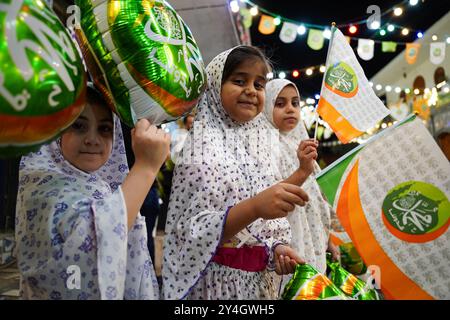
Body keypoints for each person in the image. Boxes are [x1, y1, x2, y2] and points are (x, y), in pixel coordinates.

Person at [162, 46, 311, 300]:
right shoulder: (201, 146)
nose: (251, 90)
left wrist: (279, 247)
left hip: (258, 286)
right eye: (239, 80)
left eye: (259, 84)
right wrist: (255, 207)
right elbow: (190, 230)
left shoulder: (260, 146)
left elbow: (267, 221)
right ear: (214, 86)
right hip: (215, 285)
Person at [15, 84, 170, 299]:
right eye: (78, 126)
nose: (93, 139)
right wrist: (145, 168)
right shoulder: (46, 187)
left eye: (105, 128)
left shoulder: (100, 184)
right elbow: (91, 245)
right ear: (54, 132)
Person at [262, 79, 340, 275]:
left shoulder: (299, 143)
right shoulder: (265, 147)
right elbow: (271, 196)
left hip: (315, 242)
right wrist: (302, 170)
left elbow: (316, 199)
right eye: (280, 104)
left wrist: (327, 239)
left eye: (295, 103)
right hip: (289, 246)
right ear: (266, 107)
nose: (290, 109)